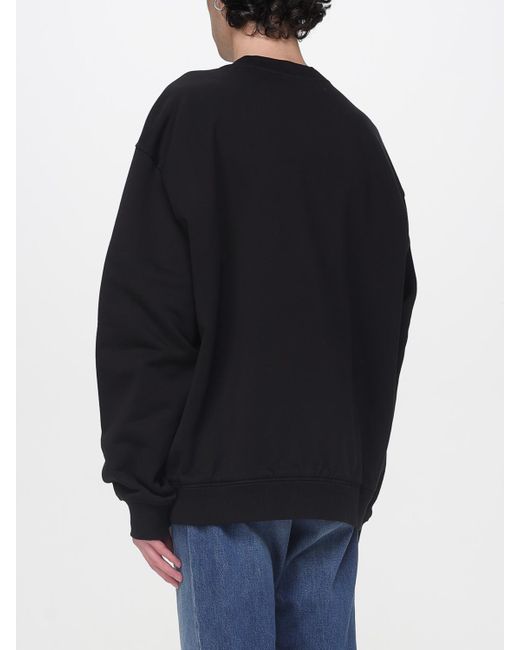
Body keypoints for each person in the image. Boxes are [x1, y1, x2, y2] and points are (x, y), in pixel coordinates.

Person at [96, 1, 417, 648]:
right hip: (330, 491)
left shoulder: (192, 112)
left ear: (222, 2)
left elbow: (146, 307)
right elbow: (387, 314)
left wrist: (143, 489)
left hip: (223, 486)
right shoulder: (358, 135)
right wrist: (355, 483)